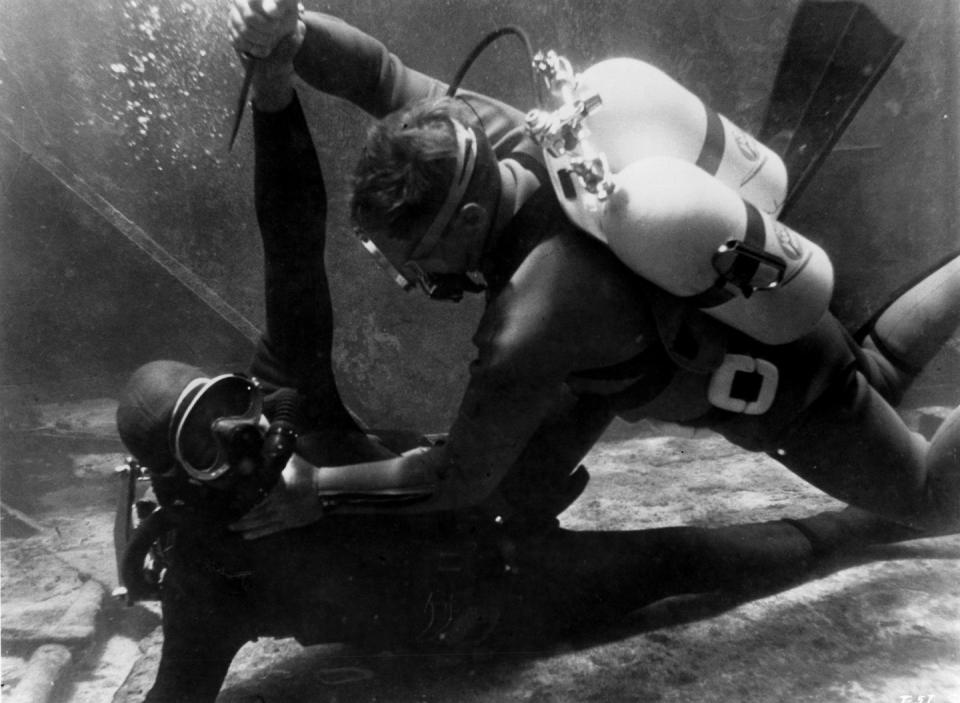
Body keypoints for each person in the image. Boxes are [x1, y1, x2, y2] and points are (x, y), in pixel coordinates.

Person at [116, 49, 939, 703]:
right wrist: (285, 58)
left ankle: (897, 499)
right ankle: (870, 526)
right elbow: (176, 692)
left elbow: (290, 248)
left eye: (229, 399)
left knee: (872, 442)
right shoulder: (208, 577)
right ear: (175, 482)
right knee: (693, 562)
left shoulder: (309, 398)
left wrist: (273, 91)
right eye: (205, 438)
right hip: (499, 597)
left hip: (492, 483)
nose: (243, 427)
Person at [226, 3, 960, 537]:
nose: (414, 281)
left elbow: (458, 476)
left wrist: (316, 486)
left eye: (416, 263)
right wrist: (291, 37)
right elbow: (379, 74)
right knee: (876, 367)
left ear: (473, 224)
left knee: (928, 493)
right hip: (749, 298)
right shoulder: (487, 131)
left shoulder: (530, 322)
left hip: (780, 392)